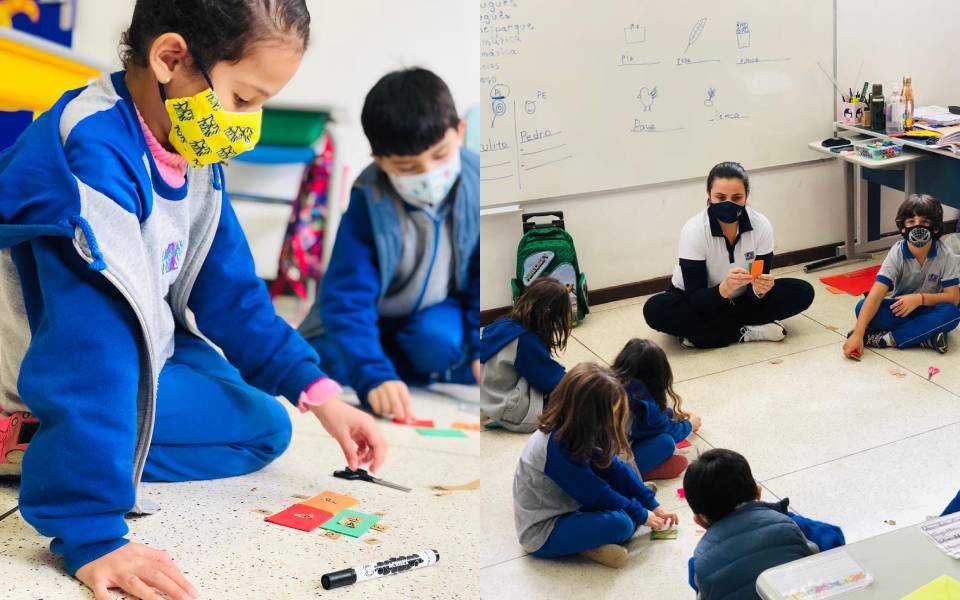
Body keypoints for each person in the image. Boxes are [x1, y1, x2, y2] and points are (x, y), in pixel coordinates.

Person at [0, 2, 385, 598]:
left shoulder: (183, 143)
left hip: (139, 340)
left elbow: (231, 293)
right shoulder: (92, 157)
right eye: (243, 99)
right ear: (171, 58)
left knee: (251, 395)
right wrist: (91, 533)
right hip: (49, 358)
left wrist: (319, 391)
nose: (248, 123)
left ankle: (79, 441)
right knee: (262, 429)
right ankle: (34, 441)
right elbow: (90, 351)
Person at [299, 68, 479, 422]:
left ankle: (415, 366)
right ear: (380, 161)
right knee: (320, 358)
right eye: (408, 167)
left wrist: (480, 347)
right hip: (372, 319)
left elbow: (479, 279)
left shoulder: (475, 183)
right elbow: (346, 299)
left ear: (460, 131)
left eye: (440, 156)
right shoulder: (371, 199)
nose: (428, 174)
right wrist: (374, 373)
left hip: (433, 314)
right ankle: (390, 368)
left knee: (439, 340)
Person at [513, 362, 678, 569]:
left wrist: (652, 504)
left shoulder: (577, 429)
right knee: (623, 523)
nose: (613, 421)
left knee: (626, 501)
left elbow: (614, 468)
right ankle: (587, 545)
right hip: (544, 531)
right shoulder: (556, 446)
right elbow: (596, 492)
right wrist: (642, 513)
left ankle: (591, 540)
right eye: (610, 414)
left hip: (574, 504)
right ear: (589, 415)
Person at [644, 161, 815, 348]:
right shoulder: (694, 230)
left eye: (736, 197)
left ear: (747, 196)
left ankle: (707, 334)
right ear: (709, 195)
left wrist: (759, 290)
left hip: (743, 300)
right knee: (655, 309)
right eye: (720, 197)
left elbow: (756, 287)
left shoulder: (761, 225)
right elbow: (696, 298)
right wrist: (724, 288)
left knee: (802, 291)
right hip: (699, 299)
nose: (728, 203)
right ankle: (747, 330)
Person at [685, 449, 845, 598]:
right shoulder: (792, 524)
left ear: (699, 521)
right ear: (759, 493)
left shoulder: (698, 561)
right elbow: (834, 539)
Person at [843, 194, 960, 357]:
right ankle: (926, 337)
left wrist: (920, 299)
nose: (918, 227)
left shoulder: (945, 255)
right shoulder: (897, 252)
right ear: (903, 227)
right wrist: (857, 333)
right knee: (861, 307)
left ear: (935, 227)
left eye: (925, 222)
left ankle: (887, 339)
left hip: (930, 309)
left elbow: (953, 297)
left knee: (952, 313)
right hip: (900, 309)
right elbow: (877, 293)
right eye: (911, 222)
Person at [479, 277, 569, 432]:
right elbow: (550, 379)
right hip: (509, 407)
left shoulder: (502, 324)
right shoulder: (525, 341)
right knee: (565, 397)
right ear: (548, 314)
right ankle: (503, 418)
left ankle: (496, 412)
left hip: (486, 396)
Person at [612, 338, 701, 480]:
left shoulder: (612, 383)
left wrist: (671, 414)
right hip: (612, 467)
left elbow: (652, 420)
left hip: (589, 456)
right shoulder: (643, 403)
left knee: (663, 420)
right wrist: (691, 424)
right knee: (666, 442)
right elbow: (672, 433)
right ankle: (640, 474)